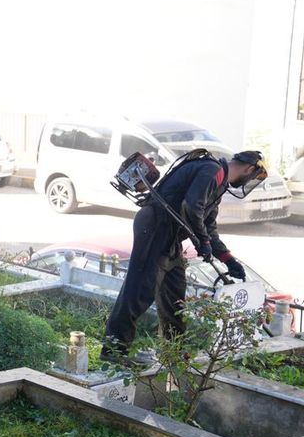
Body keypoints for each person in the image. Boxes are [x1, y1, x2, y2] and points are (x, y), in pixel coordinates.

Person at [103, 150, 266, 360]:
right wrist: (203, 243)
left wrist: (227, 258)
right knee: (139, 290)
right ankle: (114, 351)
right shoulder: (212, 171)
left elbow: (208, 225)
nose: (249, 180)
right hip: (155, 228)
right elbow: (191, 206)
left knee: (175, 294)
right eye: (252, 177)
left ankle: (174, 353)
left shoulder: (219, 182)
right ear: (249, 168)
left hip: (170, 235)